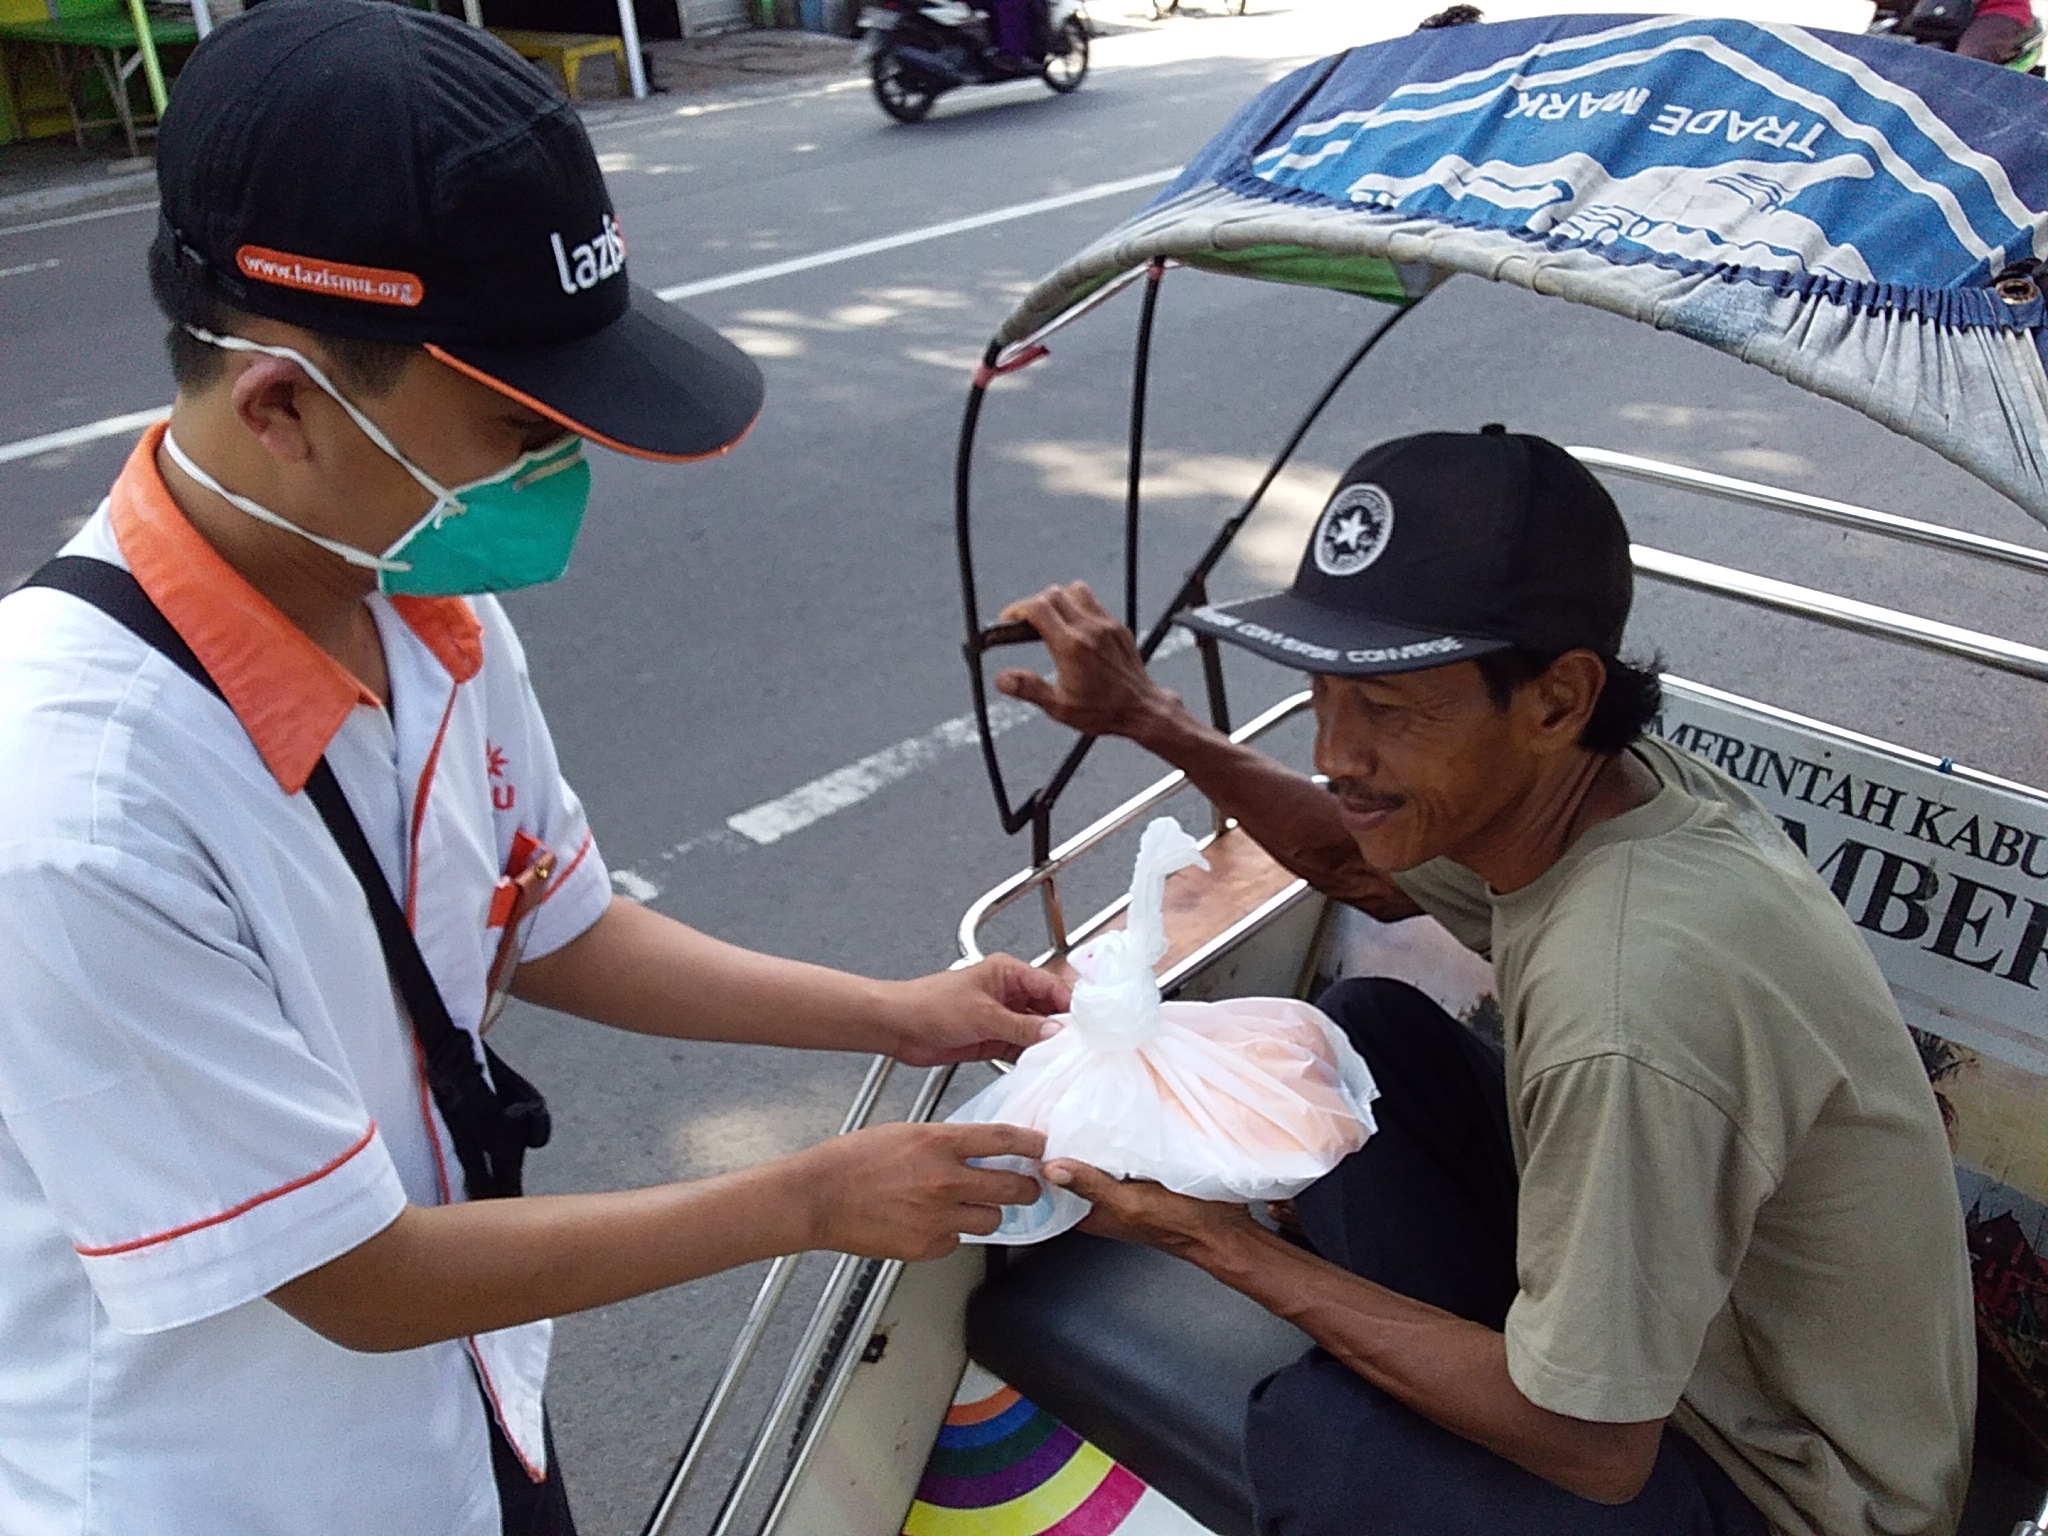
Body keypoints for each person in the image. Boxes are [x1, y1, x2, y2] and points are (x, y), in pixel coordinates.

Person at [0, 6, 1057, 1535]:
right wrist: (807, 1199)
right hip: (242, 1484)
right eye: (518, 424)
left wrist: (907, 1012)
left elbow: (545, 916)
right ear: (284, 405)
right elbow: (353, 1281)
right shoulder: (73, 807)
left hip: (472, 1405)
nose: (564, 466)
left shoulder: (419, 596)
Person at [993, 427, 1975, 1536]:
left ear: (1556, 698)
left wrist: (1208, 1240)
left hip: (1783, 1486)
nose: (1334, 748)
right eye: (1323, 692)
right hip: (1692, 1335)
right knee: (1356, 1035)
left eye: (1390, 708)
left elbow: (1592, 1449)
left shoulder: (1628, 1000)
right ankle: (1446, 1359)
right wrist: (1145, 717)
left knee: (1327, 1444)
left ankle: (1417, 1381)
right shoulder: (1610, 789)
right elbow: (1345, 861)